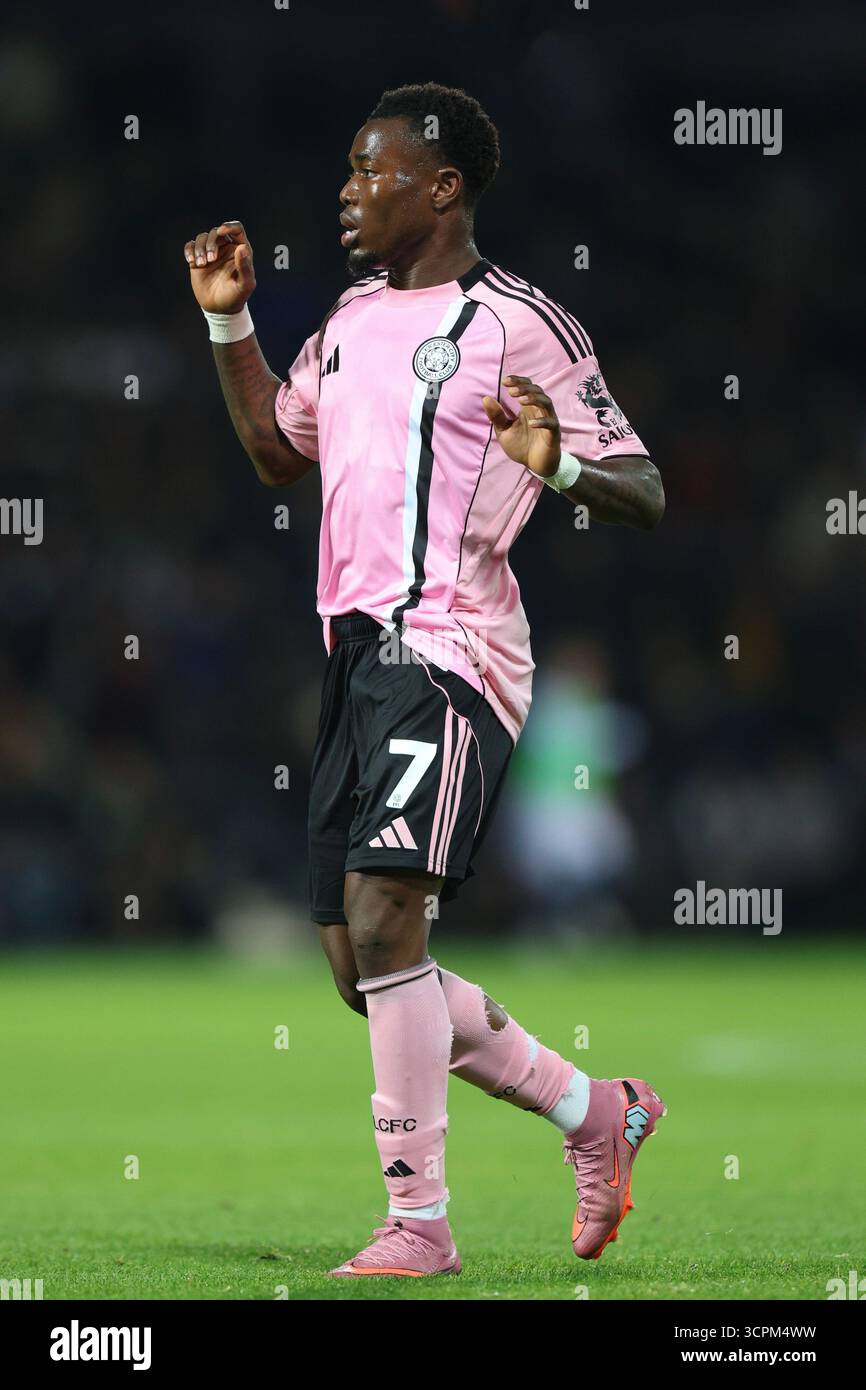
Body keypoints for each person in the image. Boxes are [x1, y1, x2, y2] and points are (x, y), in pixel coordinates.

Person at [183, 82, 665, 1278]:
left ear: (440, 188)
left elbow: (643, 488)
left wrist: (556, 467)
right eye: (347, 173)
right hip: (352, 661)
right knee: (359, 967)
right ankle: (594, 1112)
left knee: (389, 918)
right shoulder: (343, 318)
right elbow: (273, 455)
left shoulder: (521, 321)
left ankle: (419, 1226)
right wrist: (229, 326)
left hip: (451, 649)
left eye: (370, 171)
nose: (347, 193)